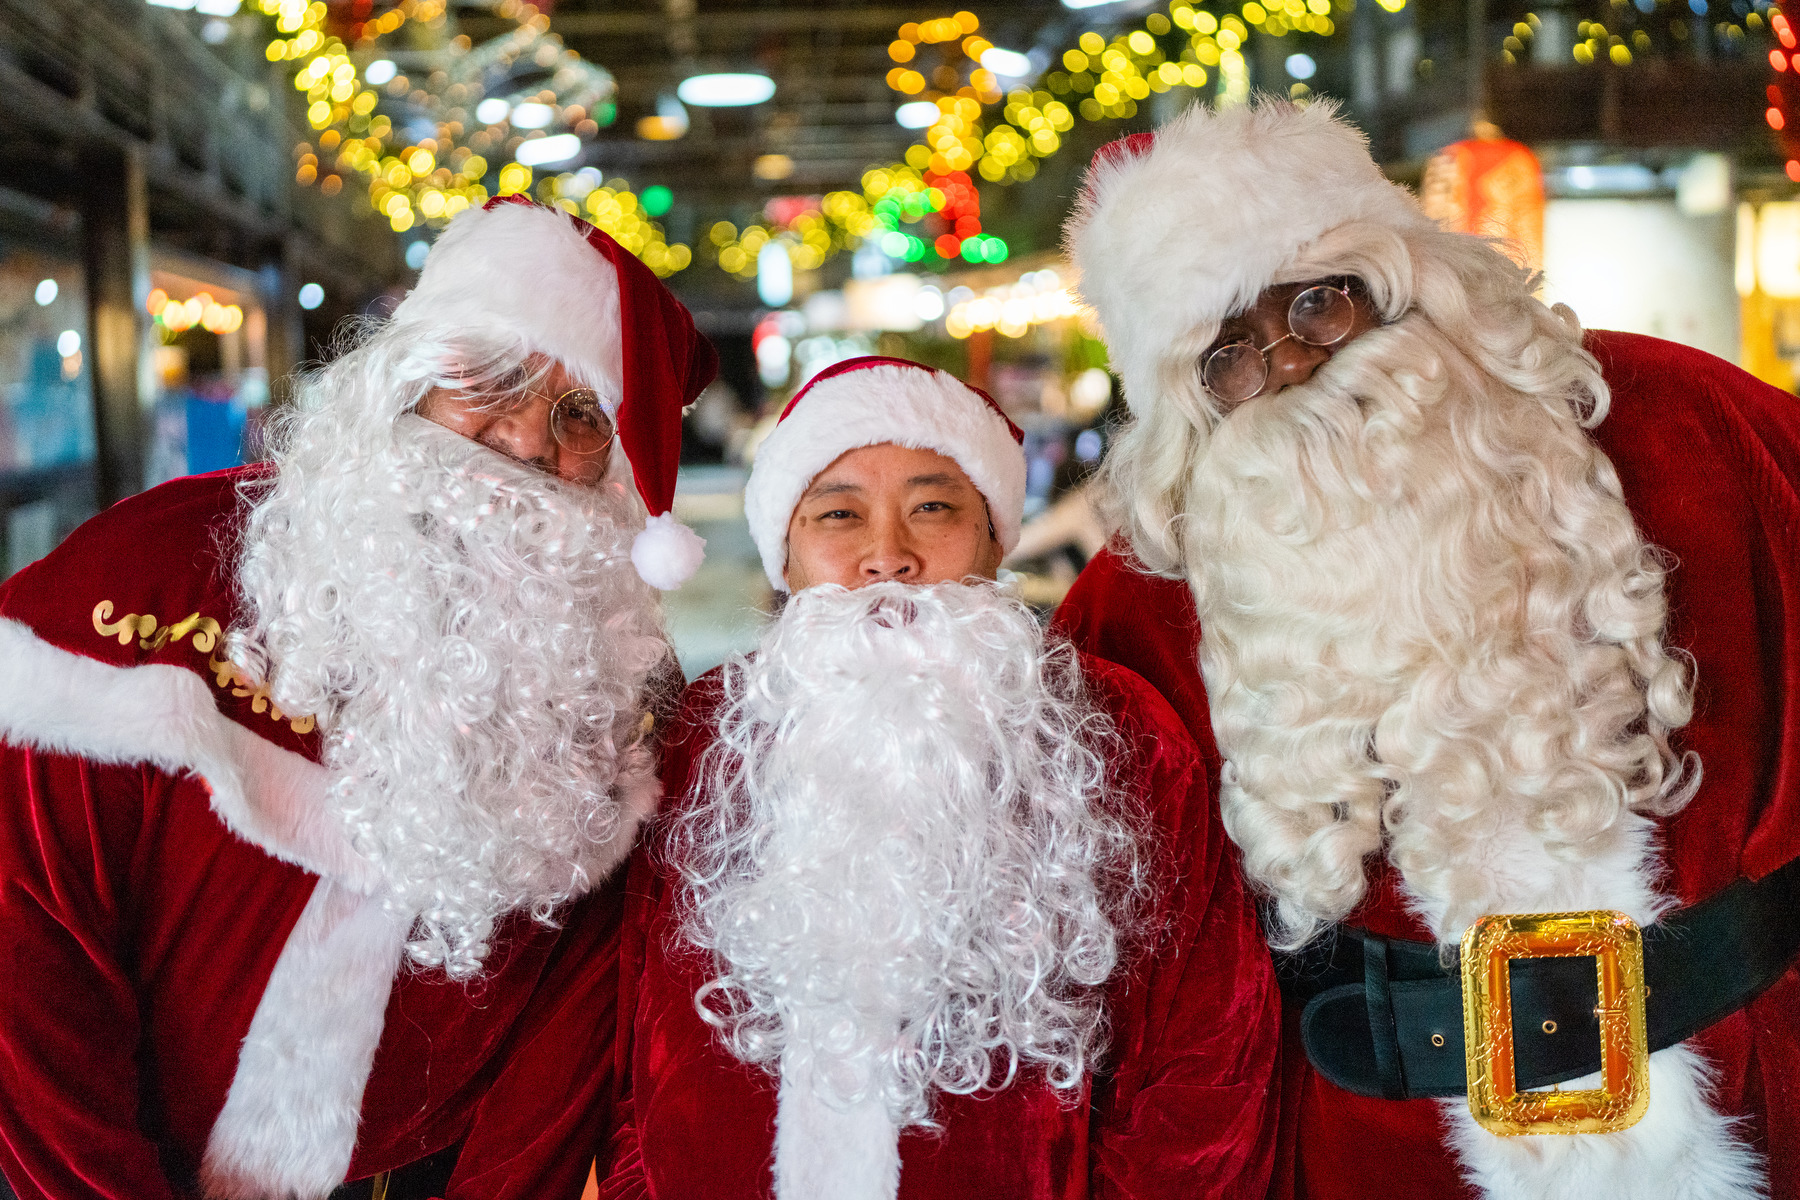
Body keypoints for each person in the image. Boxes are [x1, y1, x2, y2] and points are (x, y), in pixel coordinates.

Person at [1055, 99, 1800, 1199]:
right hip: (1377, 1149)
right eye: (1230, 360)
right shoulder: (1143, 597)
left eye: (1317, 303)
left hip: (1752, 1087)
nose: (1295, 363)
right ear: (1194, 410)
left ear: (1409, 280)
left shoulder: (1687, 420)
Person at [0, 195, 716, 1200]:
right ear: (406, 377)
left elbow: (563, 1042)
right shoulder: (151, 576)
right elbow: (24, 941)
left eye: (579, 416)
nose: (521, 440)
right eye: (489, 379)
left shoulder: (613, 679)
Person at [597, 356, 1280, 1200]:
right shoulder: (706, 733)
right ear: (788, 556)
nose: (889, 556)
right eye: (839, 513)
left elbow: (1204, 1061)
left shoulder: (1122, 737)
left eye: (933, 507)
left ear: (995, 539)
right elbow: (631, 1039)